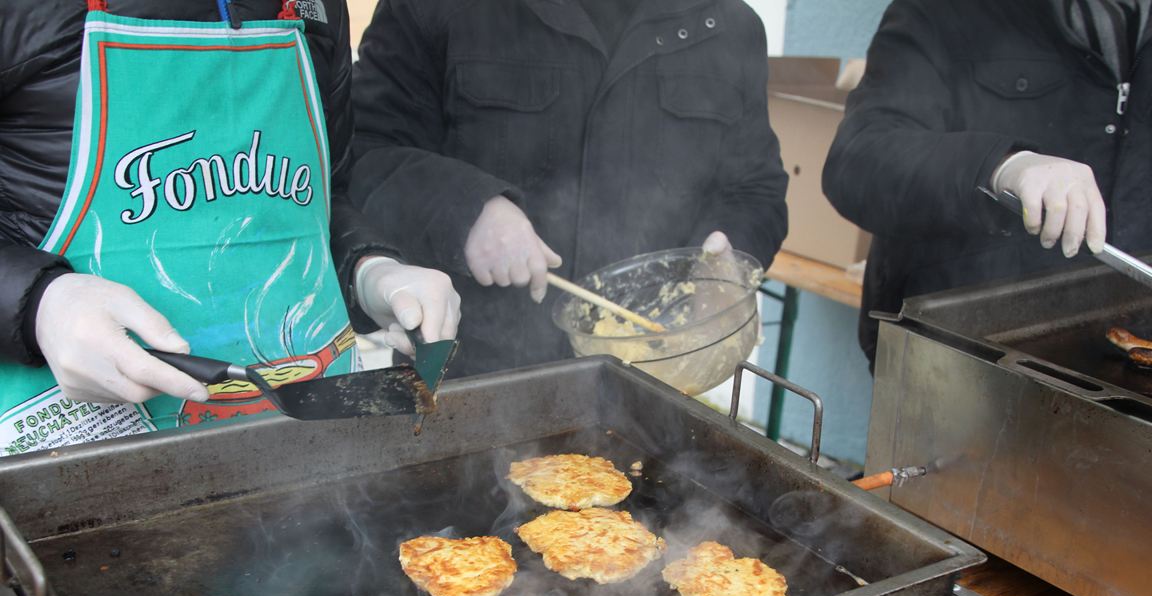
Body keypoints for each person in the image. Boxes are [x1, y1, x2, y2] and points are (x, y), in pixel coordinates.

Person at [0, 0, 461, 455]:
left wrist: (368, 267)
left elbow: (323, 193)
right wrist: (41, 303)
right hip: (80, 445)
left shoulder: (317, 7)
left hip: (308, 439)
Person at [350, 0, 789, 377]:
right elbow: (364, 151)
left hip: (651, 390)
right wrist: (467, 209)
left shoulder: (727, 25)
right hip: (466, 381)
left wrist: (728, 266)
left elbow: (754, 188)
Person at [822, 0, 1152, 367]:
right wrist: (999, 166)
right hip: (956, 358)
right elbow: (858, 160)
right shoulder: (947, 11)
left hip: (1125, 367)